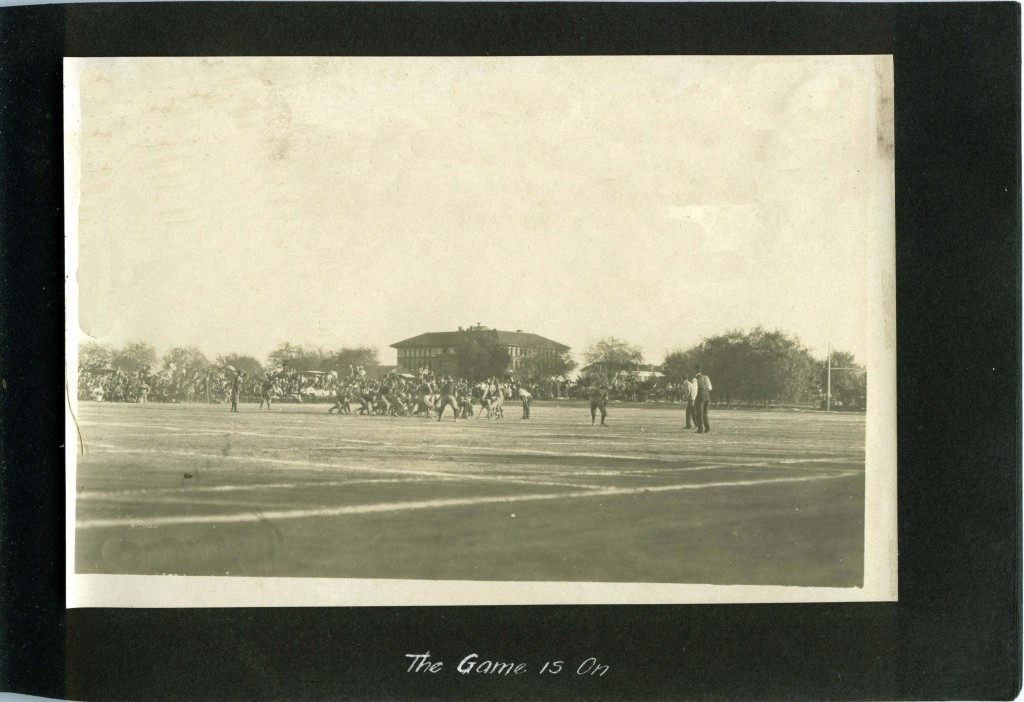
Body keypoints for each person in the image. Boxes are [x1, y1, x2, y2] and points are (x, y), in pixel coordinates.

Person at [694, 365, 713, 433]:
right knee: (705, 412)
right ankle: (707, 428)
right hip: (707, 395)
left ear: (695, 370)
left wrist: (694, 398)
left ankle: (700, 429)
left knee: (699, 412)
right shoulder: (706, 377)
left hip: (700, 395)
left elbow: (695, 389)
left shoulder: (695, 379)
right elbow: (710, 387)